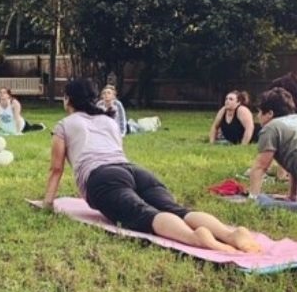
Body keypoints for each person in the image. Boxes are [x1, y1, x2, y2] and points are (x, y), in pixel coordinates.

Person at [42, 78, 263, 253]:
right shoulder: (109, 121)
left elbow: (56, 169)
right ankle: (229, 233)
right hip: (135, 171)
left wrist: (48, 204)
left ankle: (195, 238)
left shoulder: (65, 124)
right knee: (177, 210)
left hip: (102, 178)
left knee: (144, 215)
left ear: (68, 99)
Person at [248, 87, 297, 201]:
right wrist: (292, 196)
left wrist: (252, 199)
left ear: (270, 113)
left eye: (260, 112)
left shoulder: (271, 127)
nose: (258, 116)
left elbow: (261, 166)